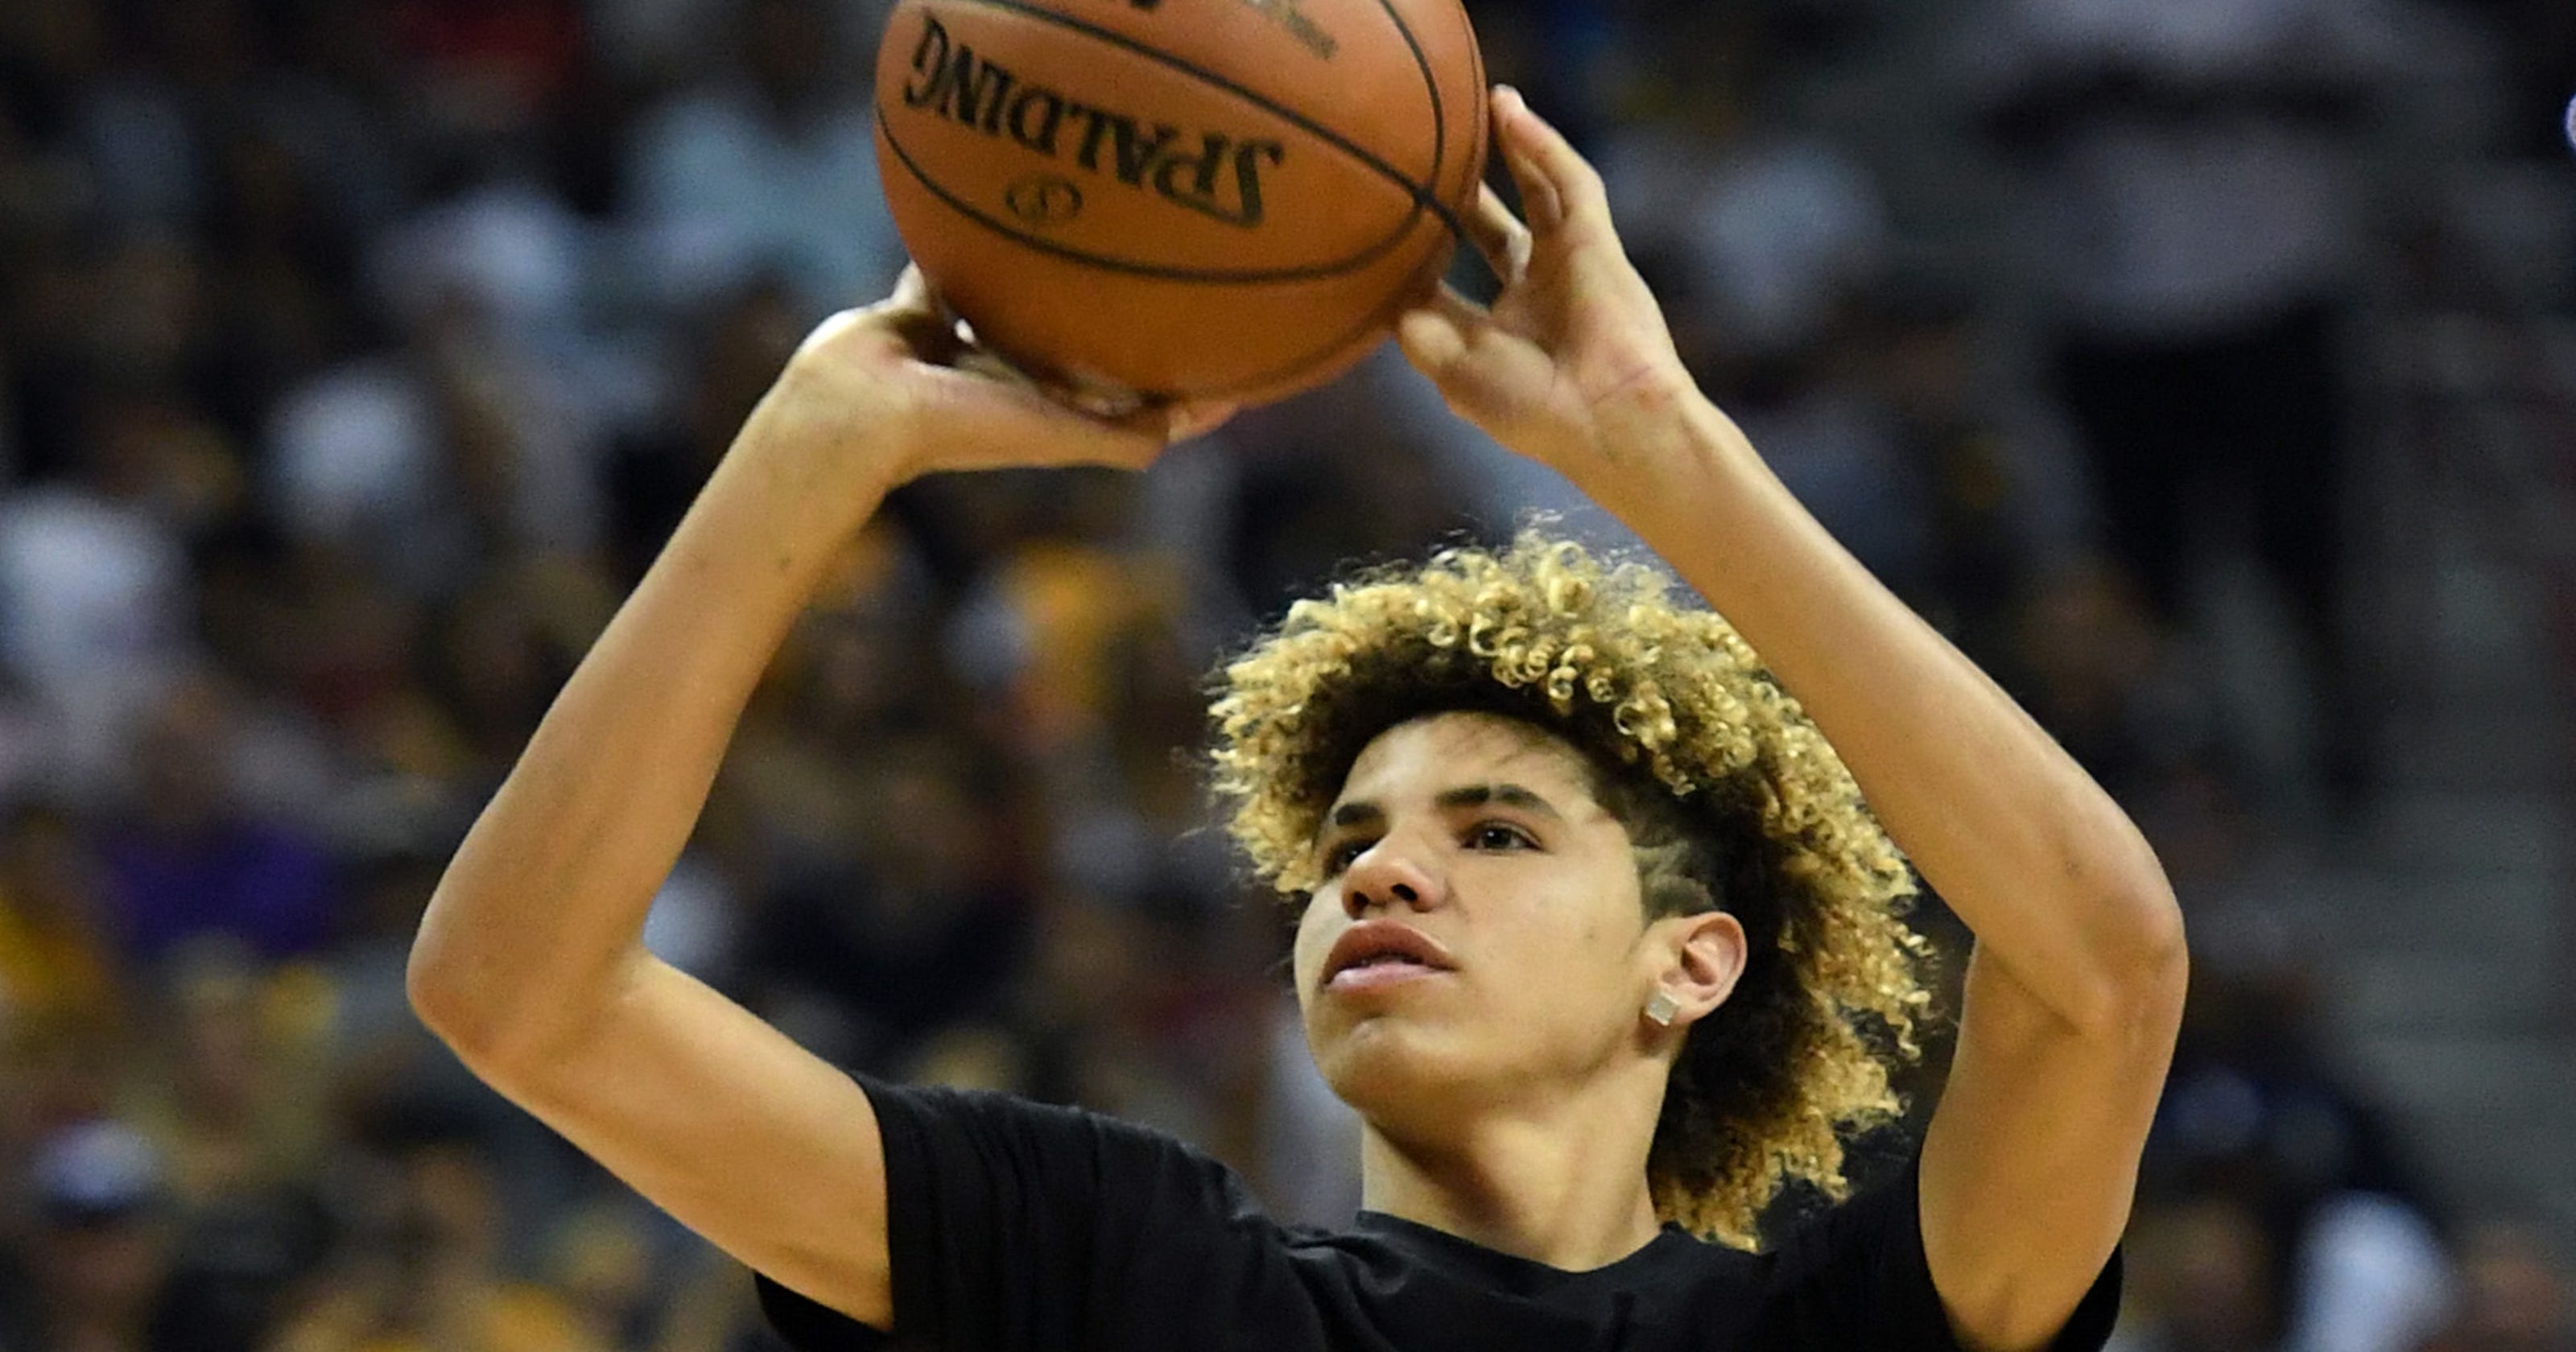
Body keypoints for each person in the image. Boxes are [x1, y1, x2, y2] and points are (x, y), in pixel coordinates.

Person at [407, 86, 2188, 1350]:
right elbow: (520, 994)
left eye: (1491, 831)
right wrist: (812, 444)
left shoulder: (1831, 1329)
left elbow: (2098, 969)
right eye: (1347, 845)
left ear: (1691, 963)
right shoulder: (1117, 1270)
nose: (1380, 878)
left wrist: (1668, 459)